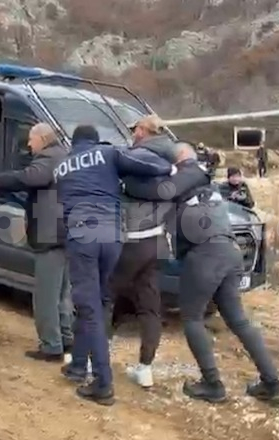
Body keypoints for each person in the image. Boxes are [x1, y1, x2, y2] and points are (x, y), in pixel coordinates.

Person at [126, 143, 279, 404]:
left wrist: (128, 183)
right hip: (229, 251)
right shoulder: (209, 189)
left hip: (204, 255)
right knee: (239, 321)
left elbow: (157, 190)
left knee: (191, 318)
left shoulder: (183, 179)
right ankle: (273, 384)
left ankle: (212, 384)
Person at [56, 124, 173, 406]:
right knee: (99, 299)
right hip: (114, 236)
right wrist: (170, 171)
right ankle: (77, 366)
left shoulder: (61, 167)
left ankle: (103, 383)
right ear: (95, 140)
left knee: (89, 306)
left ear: (74, 142)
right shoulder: (108, 153)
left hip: (83, 235)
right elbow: (148, 164)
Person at [0, 122, 72, 363]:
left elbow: (29, 177)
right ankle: (66, 338)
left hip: (50, 235)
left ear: (43, 139)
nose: (28, 144)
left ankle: (51, 346)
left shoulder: (49, 158)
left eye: (31, 140)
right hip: (65, 233)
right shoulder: (65, 155)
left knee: (46, 295)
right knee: (61, 292)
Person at [110, 115, 178, 388]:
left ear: (142, 130)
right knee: (150, 306)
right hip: (158, 241)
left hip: (133, 239)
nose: (132, 135)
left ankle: (92, 359)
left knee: (105, 296)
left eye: (134, 130)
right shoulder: (172, 159)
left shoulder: (138, 157)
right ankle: (145, 368)